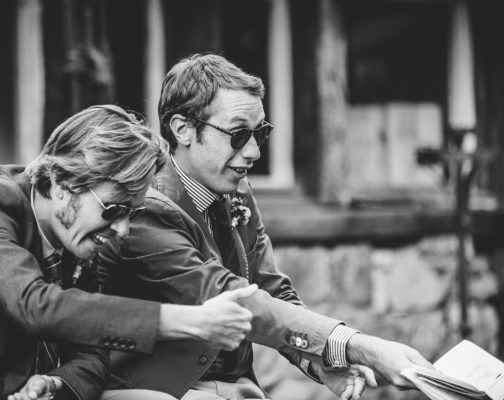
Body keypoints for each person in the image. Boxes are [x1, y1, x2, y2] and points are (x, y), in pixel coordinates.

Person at [97, 54, 434, 400]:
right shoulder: (146, 206)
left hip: (237, 387)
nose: (255, 151)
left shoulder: (237, 190)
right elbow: (232, 298)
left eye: (261, 132)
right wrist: (363, 347)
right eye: (239, 133)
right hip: (161, 390)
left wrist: (316, 359)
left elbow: (272, 290)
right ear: (183, 129)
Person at [0, 104, 257, 400]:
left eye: (131, 214)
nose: (121, 229)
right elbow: (35, 304)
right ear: (61, 184)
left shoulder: (74, 234)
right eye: (115, 209)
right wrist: (189, 320)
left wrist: (58, 384)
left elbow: (92, 353)